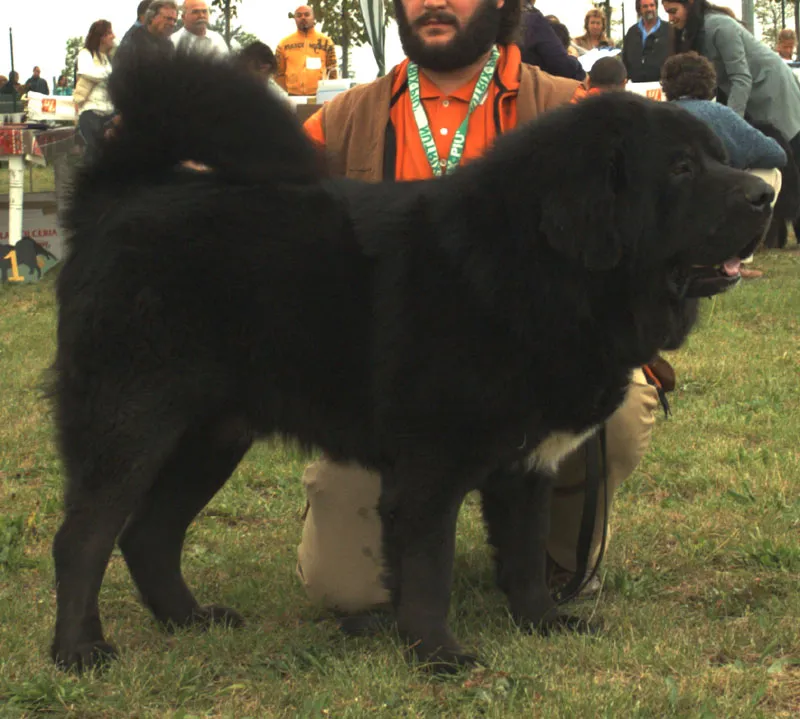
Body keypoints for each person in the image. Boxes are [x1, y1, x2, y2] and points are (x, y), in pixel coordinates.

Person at [298, 0, 659, 614]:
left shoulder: (573, 111)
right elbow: (259, 194)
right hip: (393, 388)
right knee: (348, 593)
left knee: (616, 414)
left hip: (544, 370)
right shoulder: (344, 117)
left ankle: (552, 559)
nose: (433, 2)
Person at [661, 51, 786, 278]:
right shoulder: (719, 114)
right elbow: (776, 154)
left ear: (666, 84)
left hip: (669, 210)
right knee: (770, 173)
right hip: (715, 202)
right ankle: (735, 259)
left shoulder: (658, 115)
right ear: (709, 82)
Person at [662, 1, 800, 162]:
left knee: (788, 155)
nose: (670, 18)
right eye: (667, 13)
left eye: (673, 11)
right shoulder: (691, 31)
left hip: (775, 92)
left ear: (690, 4)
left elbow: (741, 78)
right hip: (748, 95)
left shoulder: (720, 26)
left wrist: (729, 125)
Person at [75, 21, 116, 164]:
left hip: (108, 113)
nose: (113, 36)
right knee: (95, 153)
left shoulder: (107, 57)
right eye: (110, 33)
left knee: (106, 154)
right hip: (91, 112)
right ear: (102, 36)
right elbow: (86, 72)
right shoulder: (85, 54)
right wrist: (111, 74)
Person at [275, 5, 338, 96]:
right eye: (299, 15)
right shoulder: (284, 44)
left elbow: (333, 71)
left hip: (319, 95)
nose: (303, 17)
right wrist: (291, 90)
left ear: (313, 17)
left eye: (307, 14)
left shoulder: (326, 42)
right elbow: (277, 74)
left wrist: (327, 92)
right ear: (295, 19)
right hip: (293, 97)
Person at [518, 0, 585, 79]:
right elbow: (563, 67)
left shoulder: (504, 14)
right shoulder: (532, 19)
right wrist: (574, 58)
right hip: (526, 84)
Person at [622, 0, 670, 83]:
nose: (649, 9)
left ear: (656, 7)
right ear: (639, 9)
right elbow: (625, 59)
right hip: (636, 86)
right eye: (645, 6)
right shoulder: (632, 32)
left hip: (662, 85)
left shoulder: (669, 30)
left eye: (652, 5)